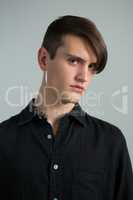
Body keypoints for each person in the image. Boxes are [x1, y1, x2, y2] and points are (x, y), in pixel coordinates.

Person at [0, 15, 133, 200]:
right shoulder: (3, 139)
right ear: (44, 59)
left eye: (92, 66)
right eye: (74, 61)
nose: (84, 77)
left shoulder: (111, 142)